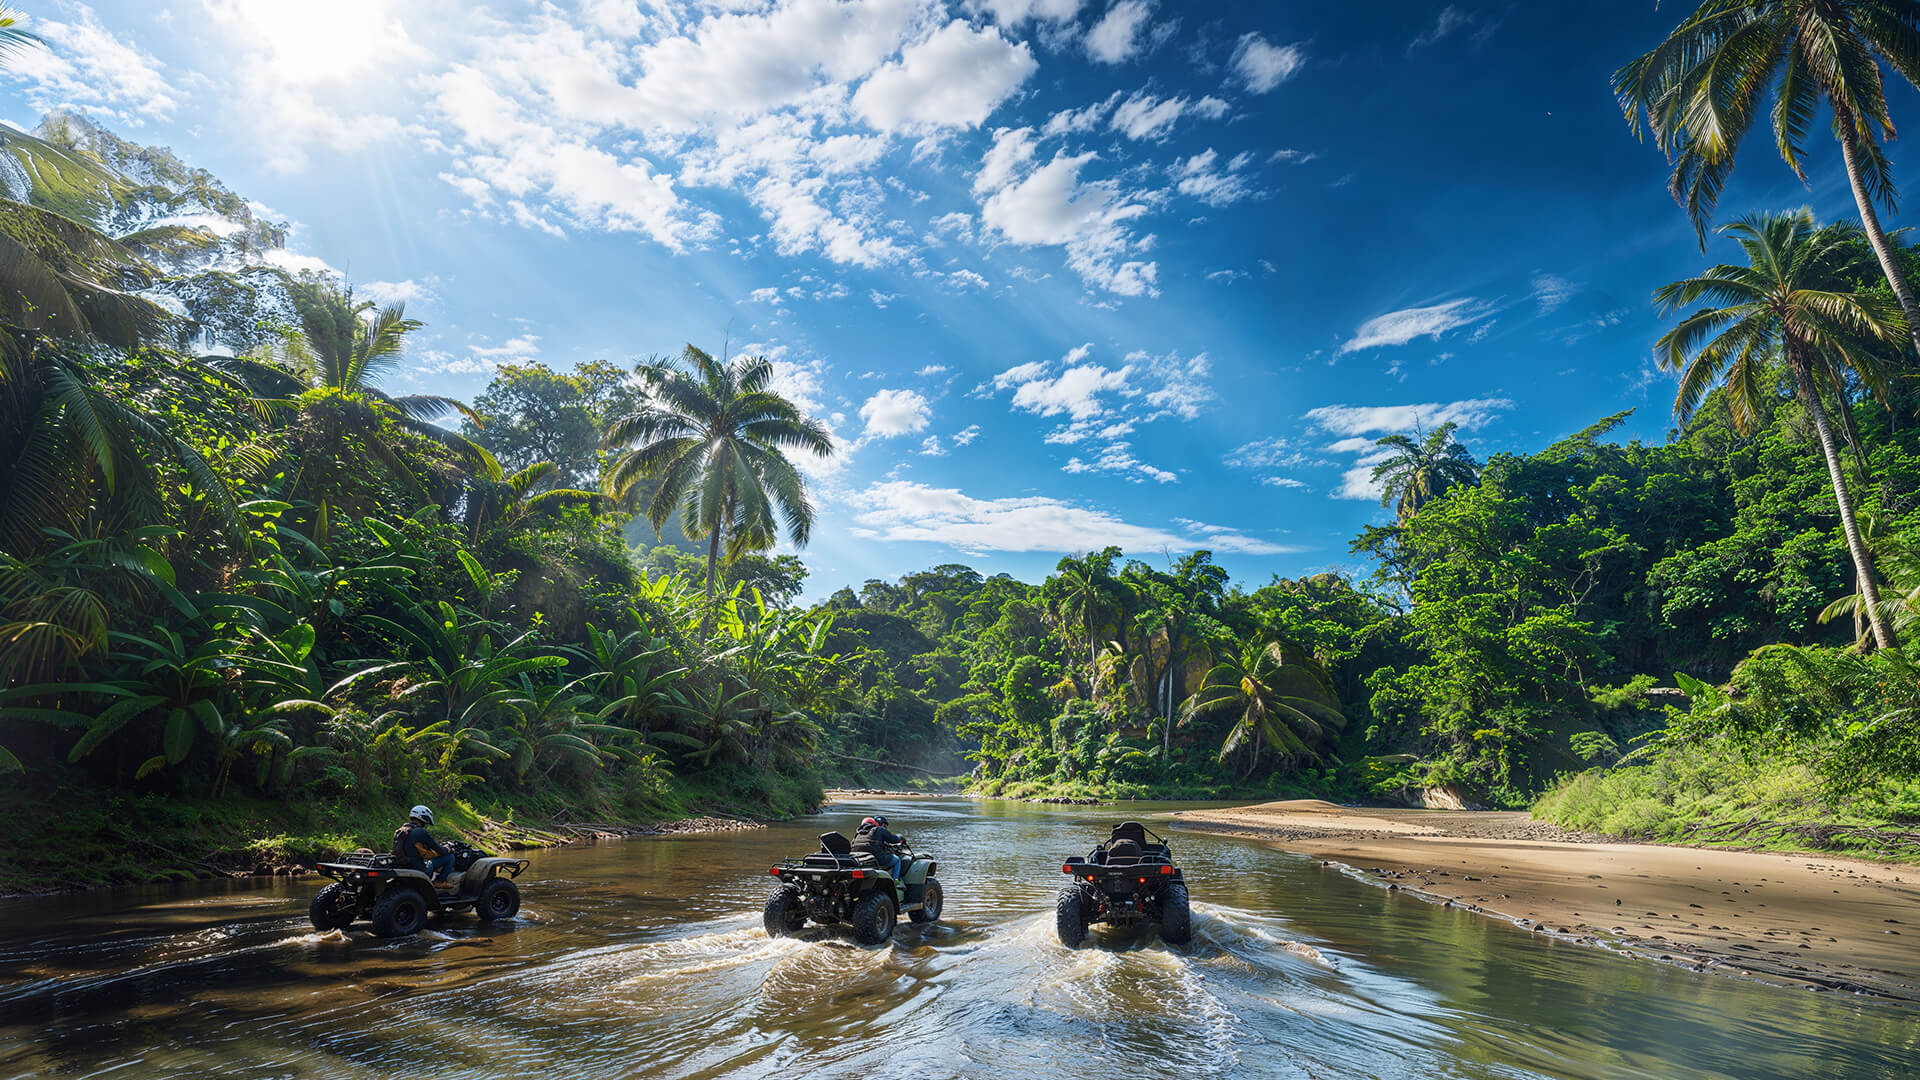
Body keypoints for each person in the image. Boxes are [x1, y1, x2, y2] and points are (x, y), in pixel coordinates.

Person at [392, 805, 456, 885]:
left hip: (403, 867)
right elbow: (441, 850)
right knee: (450, 857)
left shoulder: (403, 829)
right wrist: (448, 849)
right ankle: (439, 882)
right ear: (423, 818)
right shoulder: (421, 832)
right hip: (419, 871)